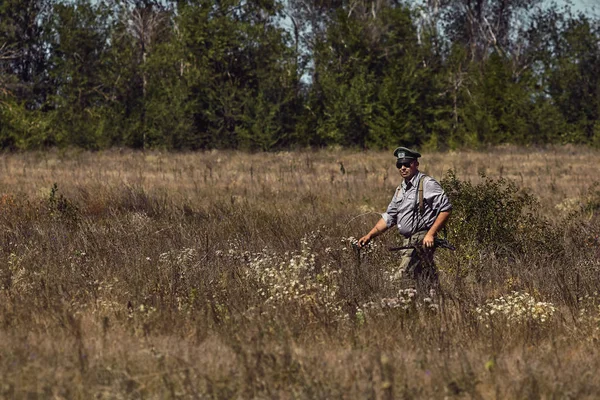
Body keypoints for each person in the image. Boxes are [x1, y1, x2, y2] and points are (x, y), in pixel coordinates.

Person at [358, 147, 452, 291]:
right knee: (425, 279)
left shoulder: (426, 183)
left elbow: (445, 209)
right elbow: (390, 217)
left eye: (407, 164)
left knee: (400, 279)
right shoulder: (401, 188)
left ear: (416, 164)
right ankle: (435, 307)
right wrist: (370, 235)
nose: (403, 168)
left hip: (421, 238)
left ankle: (401, 310)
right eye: (399, 165)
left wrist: (430, 234)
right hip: (407, 240)